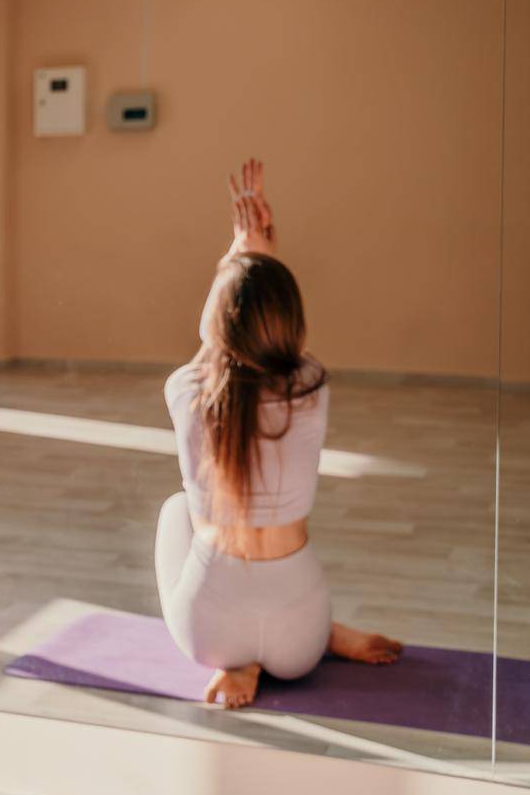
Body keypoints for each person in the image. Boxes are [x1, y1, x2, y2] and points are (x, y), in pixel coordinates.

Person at [157, 158, 403, 709]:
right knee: (253, 546)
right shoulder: (310, 390)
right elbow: (272, 336)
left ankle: (240, 665)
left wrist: (239, 254)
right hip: (303, 637)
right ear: (294, 323)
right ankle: (327, 636)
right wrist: (258, 250)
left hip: (208, 634)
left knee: (178, 510)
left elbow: (211, 339)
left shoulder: (186, 392)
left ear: (218, 320)